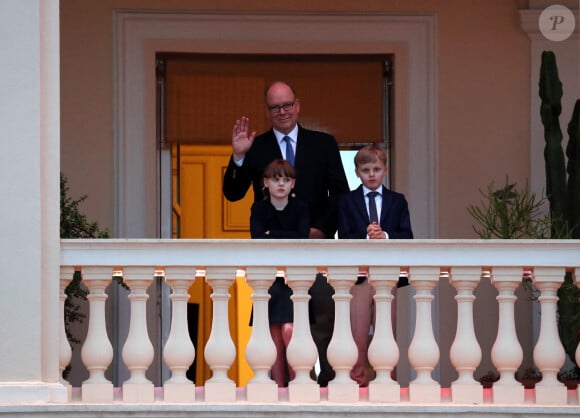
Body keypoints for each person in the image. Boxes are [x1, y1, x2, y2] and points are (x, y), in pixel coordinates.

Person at [223, 81, 350, 386]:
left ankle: (329, 386)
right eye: (275, 107)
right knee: (277, 326)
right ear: (267, 111)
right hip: (273, 254)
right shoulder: (258, 146)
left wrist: (320, 230)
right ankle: (280, 389)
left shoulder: (324, 143)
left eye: (287, 105)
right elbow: (233, 192)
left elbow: (341, 196)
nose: (282, 112)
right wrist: (238, 157)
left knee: (323, 321)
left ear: (298, 105)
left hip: (317, 249)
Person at [338, 144, 413, 387]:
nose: (371, 174)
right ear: (357, 172)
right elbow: (343, 236)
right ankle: (357, 379)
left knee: (385, 330)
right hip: (358, 277)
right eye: (366, 169)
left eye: (377, 169)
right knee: (357, 332)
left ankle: (385, 379)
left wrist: (386, 236)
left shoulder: (397, 201)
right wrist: (365, 236)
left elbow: (408, 236)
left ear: (385, 170)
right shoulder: (347, 201)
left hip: (386, 276)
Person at [249, 159, 309, 387]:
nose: (281, 184)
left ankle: (298, 383)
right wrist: (285, 235)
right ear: (266, 183)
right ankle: (279, 387)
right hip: (269, 278)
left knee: (290, 331)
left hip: (294, 279)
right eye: (276, 179)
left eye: (286, 179)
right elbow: (257, 238)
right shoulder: (259, 208)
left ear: (293, 184)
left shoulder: (300, 207)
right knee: (272, 335)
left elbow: (302, 238)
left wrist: (271, 233)